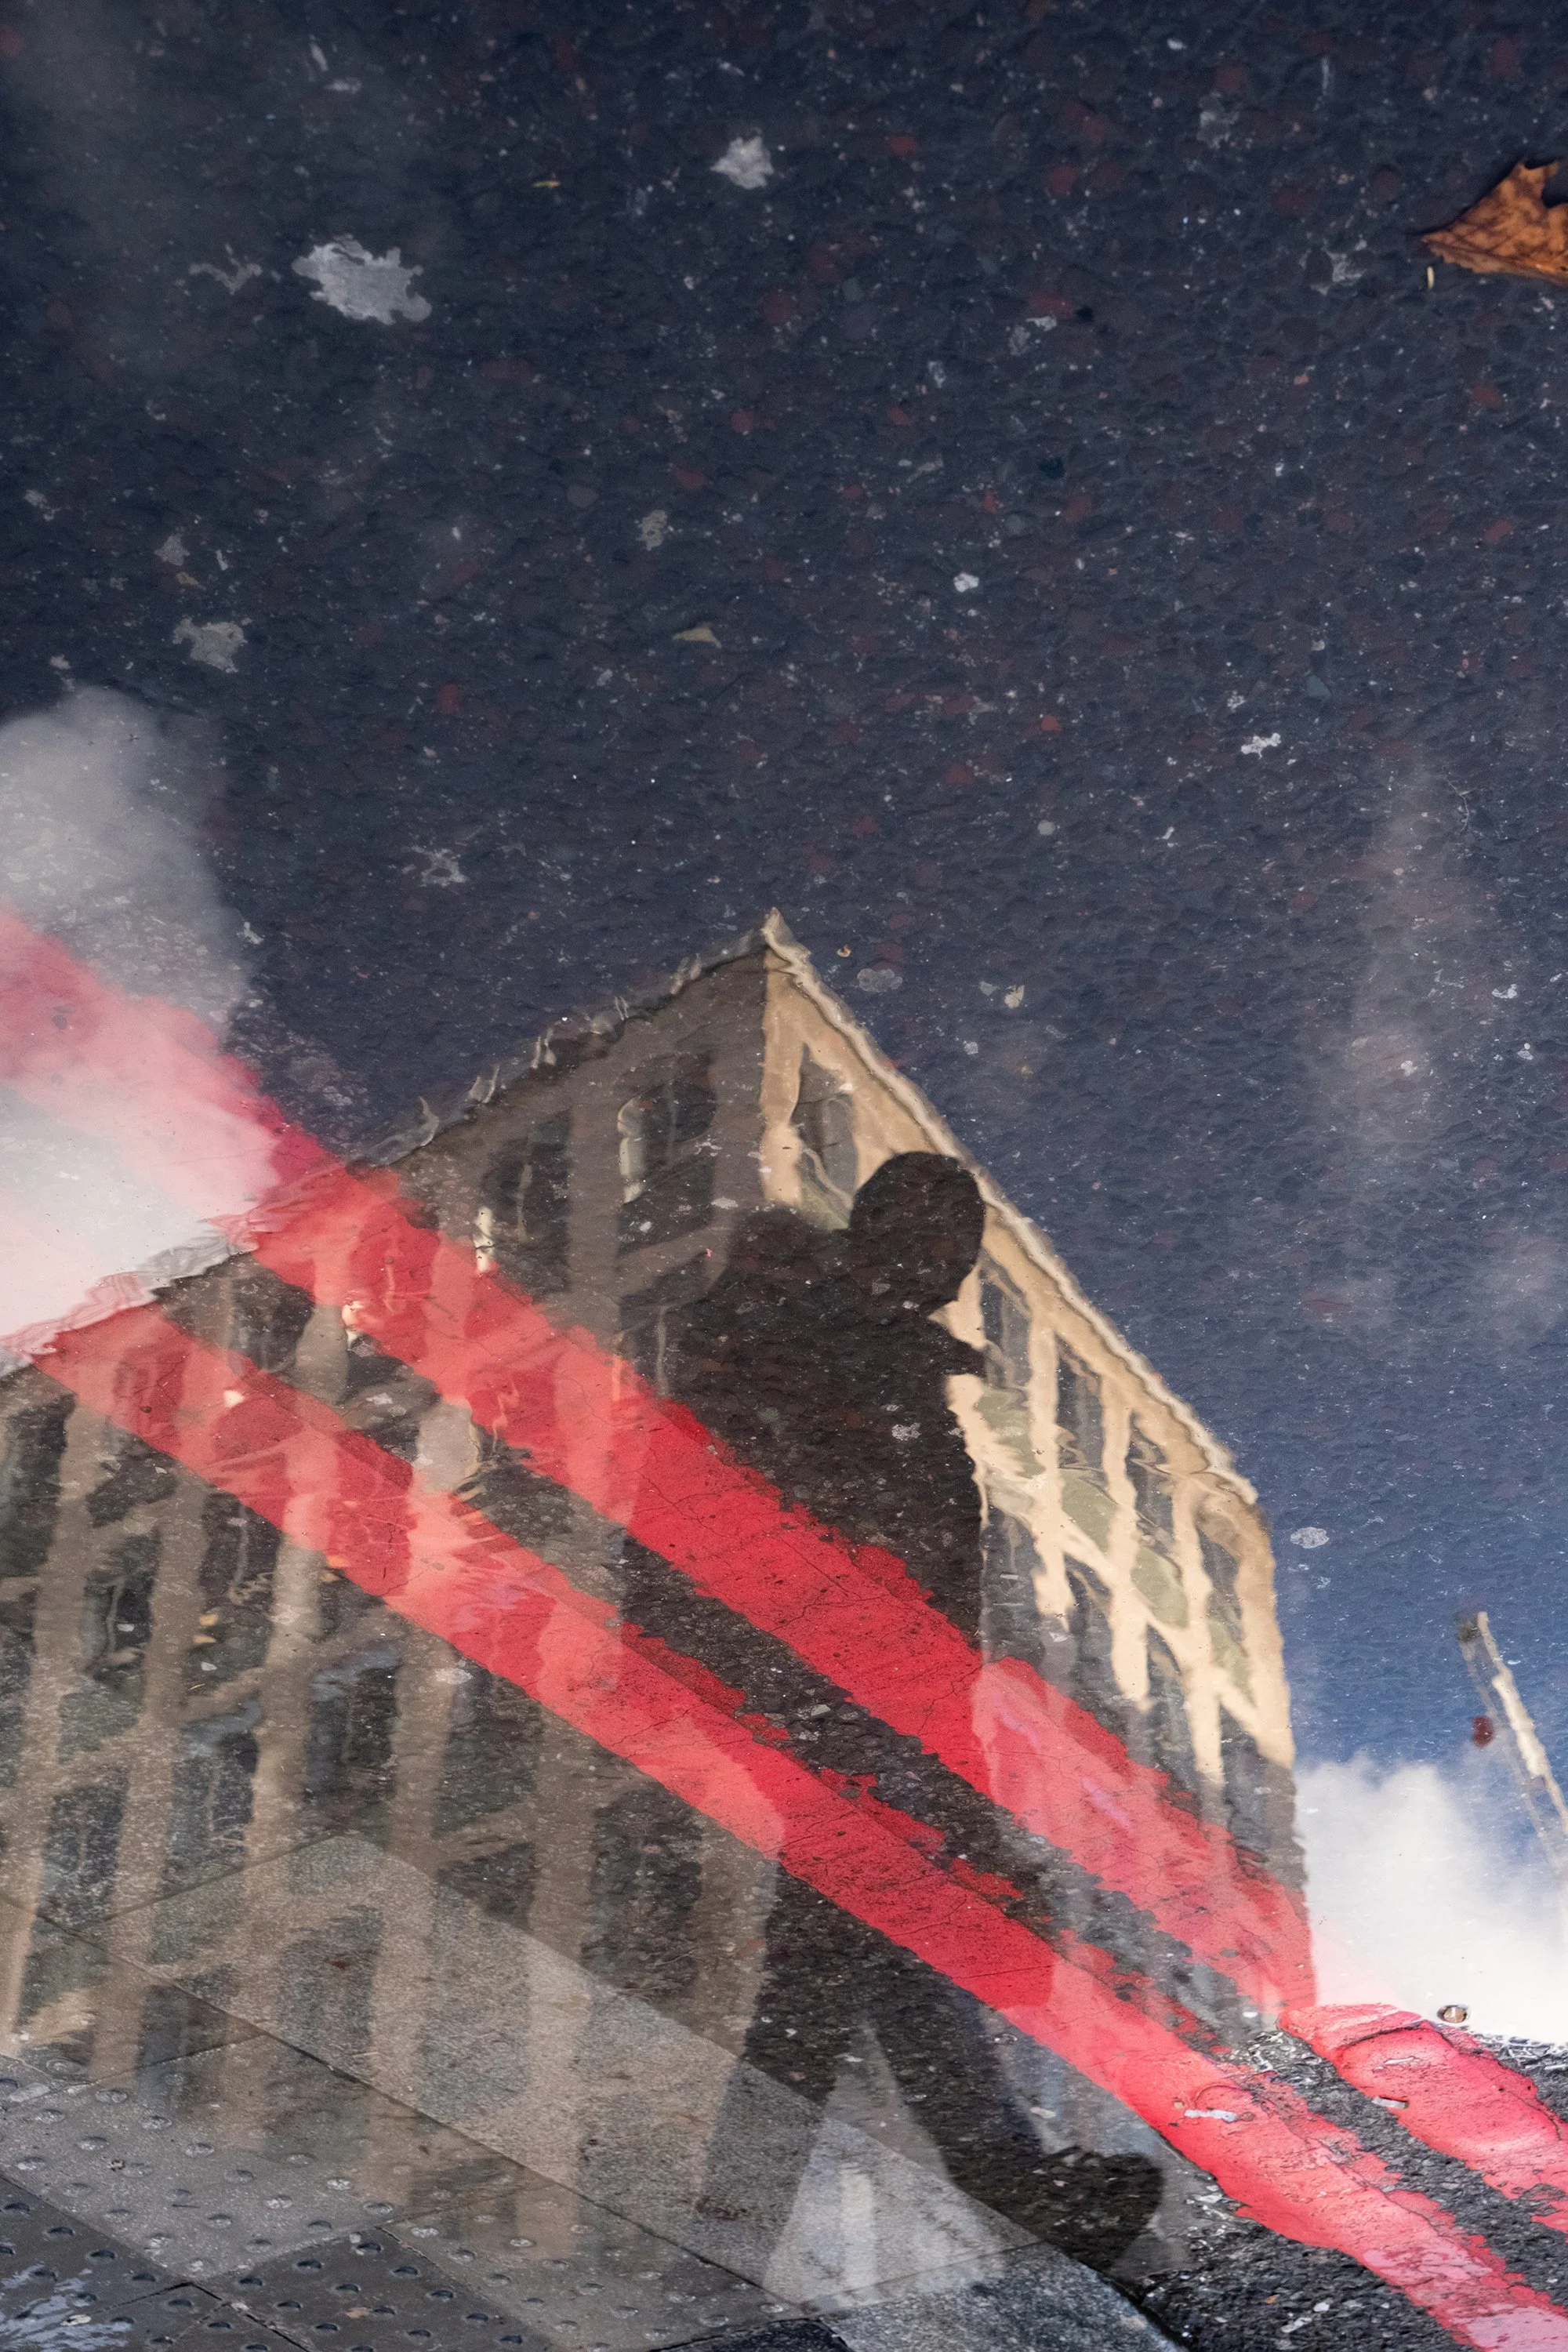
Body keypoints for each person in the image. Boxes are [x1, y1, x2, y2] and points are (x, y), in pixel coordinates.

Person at [669, 1153, 1162, 2271]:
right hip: (796, 1675)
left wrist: (979, 1832)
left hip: (855, 1701)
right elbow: (697, 1499)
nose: (940, 1262)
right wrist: (750, 1661)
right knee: (855, 1923)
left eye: (958, 1245)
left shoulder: (910, 1395)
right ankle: (977, 2180)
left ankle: (733, 2232)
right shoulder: (799, 1330)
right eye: (922, 1229)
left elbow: (944, 1662)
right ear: (874, 1224)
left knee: (846, 1938)